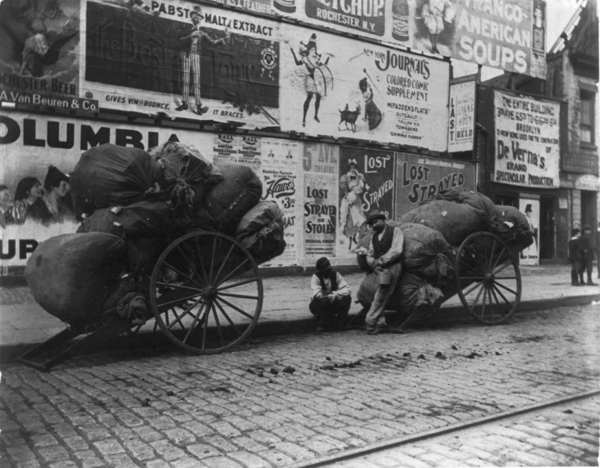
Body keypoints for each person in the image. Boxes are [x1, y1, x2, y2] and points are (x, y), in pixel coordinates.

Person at [176, 6, 230, 115]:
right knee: (186, 80)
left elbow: (213, 42)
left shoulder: (202, 33)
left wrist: (225, 37)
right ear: (192, 17)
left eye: (200, 17)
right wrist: (190, 36)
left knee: (196, 82)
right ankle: (184, 103)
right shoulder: (186, 29)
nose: (199, 19)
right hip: (186, 55)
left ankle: (198, 106)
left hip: (196, 56)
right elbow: (179, 41)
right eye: (197, 16)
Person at [364, 210, 403, 335]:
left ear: (383, 220)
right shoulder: (374, 237)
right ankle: (381, 323)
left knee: (383, 292)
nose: (374, 225)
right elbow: (369, 254)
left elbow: (397, 250)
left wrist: (380, 261)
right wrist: (372, 264)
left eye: (376, 222)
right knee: (376, 291)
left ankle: (369, 321)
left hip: (393, 266)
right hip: (379, 268)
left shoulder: (395, 231)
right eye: (371, 224)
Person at [288, 33, 331, 127]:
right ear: (310, 49)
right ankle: (304, 119)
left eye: (314, 49)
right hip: (310, 79)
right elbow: (297, 63)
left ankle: (315, 115)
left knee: (318, 97)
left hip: (315, 79)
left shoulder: (316, 58)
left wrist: (328, 59)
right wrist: (293, 53)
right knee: (310, 97)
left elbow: (322, 67)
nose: (314, 50)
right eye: (312, 48)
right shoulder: (306, 58)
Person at [309, 257, 351, 331]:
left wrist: (335, 295)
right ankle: (321, 323)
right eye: (325, 267)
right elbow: (318, 293)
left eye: (329, 265)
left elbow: (347, 289)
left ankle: (342, 322)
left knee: (347, 298)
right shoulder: (315, 277)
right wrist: (330, 296)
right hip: (318, 306)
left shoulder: (336, 274)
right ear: (320, 269)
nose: (328, 268)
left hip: (333, 303)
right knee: (324, 300)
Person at [339, 159, 367, 249]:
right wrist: (348, 197)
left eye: (354, 166)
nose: (352, 167)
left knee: (358, 219)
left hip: (356, 201)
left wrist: (357, 191)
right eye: (351, 166)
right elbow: (345, 189)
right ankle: (349, 240)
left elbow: (362, 187)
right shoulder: (346, 176)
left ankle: (356, 238)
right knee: (349, 220)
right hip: (349, 199)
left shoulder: (359, 176)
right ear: (349, 167)